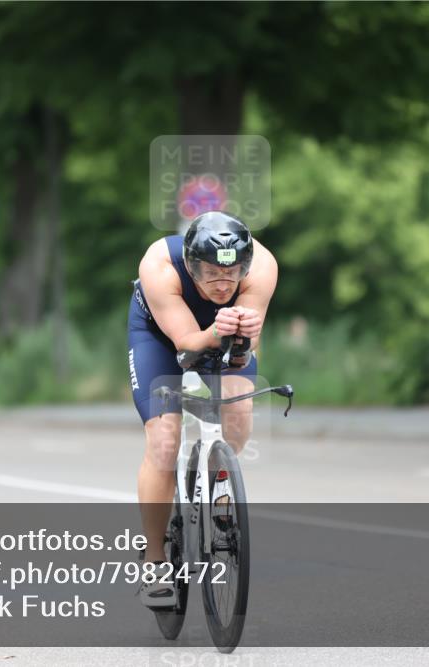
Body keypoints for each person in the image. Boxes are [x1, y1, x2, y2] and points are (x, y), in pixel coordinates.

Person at [127, 211, 277, 607]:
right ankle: (154, 559)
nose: (223, 283)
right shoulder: (159, 265)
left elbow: (241, 359)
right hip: (162, 337)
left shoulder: (262, 265)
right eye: (210, 272)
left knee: (239, 413)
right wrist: (216, 331)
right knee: (163, 439)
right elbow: (187, 346)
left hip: (225, 332)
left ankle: (216, 480)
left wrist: (242, 340)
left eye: (231, 274)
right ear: (192, 265)